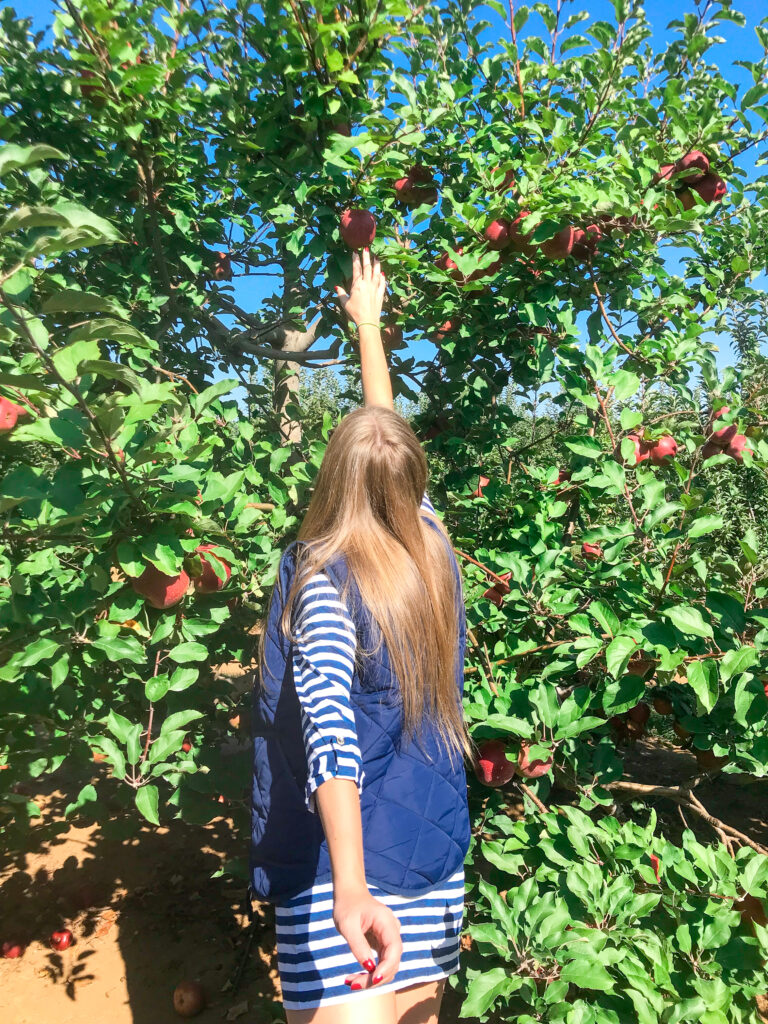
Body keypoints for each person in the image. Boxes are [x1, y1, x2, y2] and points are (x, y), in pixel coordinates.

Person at [248, 248, 471, 1024]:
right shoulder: (433, 550)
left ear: (330, 480)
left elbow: (329, 733)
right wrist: (370, 329)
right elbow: (389, 451)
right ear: (412, 485)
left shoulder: (323, 585)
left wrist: (350, 884)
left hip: (350, 873)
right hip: (433, 842)